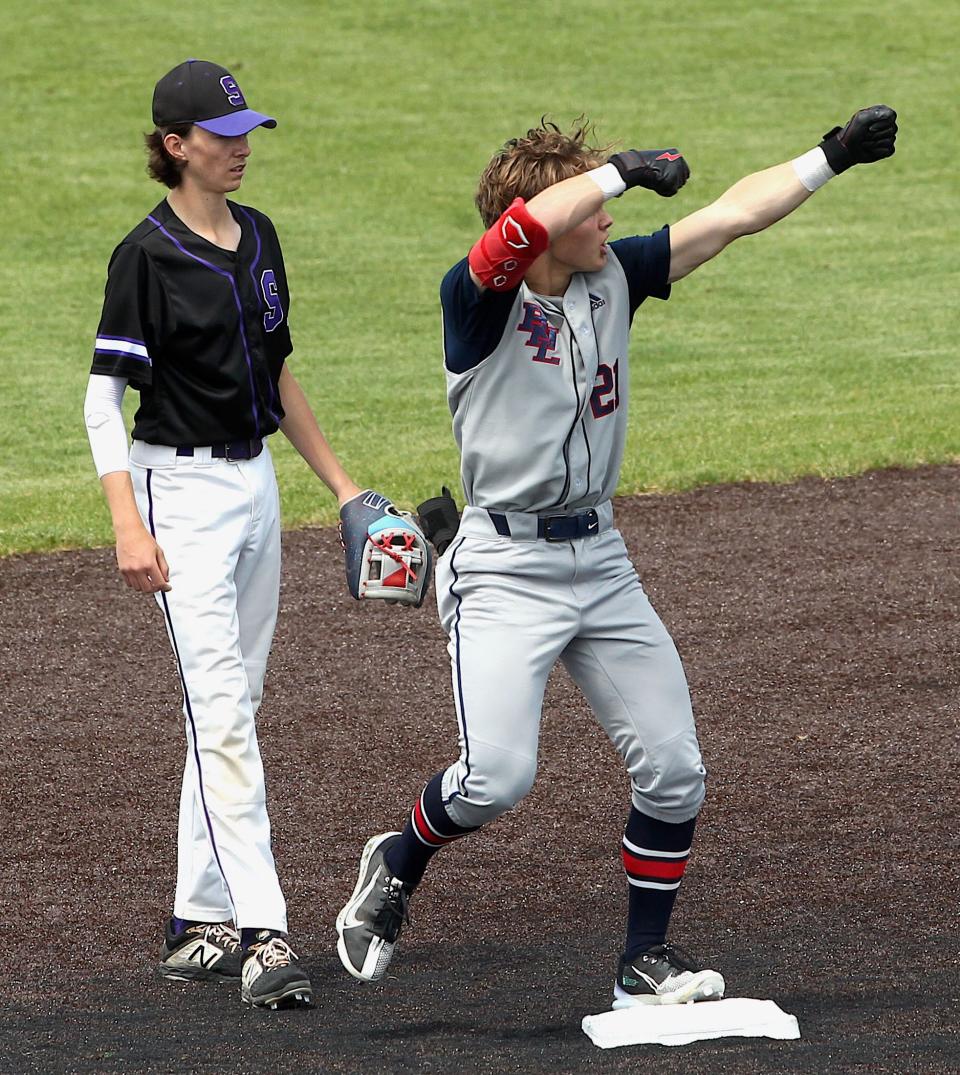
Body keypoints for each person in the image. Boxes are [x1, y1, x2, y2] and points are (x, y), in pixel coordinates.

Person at [335, 106, 897, 1006]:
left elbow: (731, 215)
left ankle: (645, 957)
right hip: (504, 566)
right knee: (497, 777)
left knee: (675, 766)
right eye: (592, 205)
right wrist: (623, 169)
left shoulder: (614, 276)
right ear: (550, 219)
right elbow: (514, 237)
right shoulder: (476, 301)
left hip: (600, 557)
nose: (610, 220)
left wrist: (828, 158)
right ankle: (399, 859)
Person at [84, 58, 365, 1010]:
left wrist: (343, 488)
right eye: (221, 133)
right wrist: (127, 522)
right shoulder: (147, 255)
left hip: (254, 487)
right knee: (225, 716)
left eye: (246, 129)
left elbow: (279, 376)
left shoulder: (261, 238)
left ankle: (194, 921)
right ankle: (263, 932)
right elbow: (100, 400)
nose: (240, 146)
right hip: (179, 497)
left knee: (231, 702)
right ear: (175, 146)